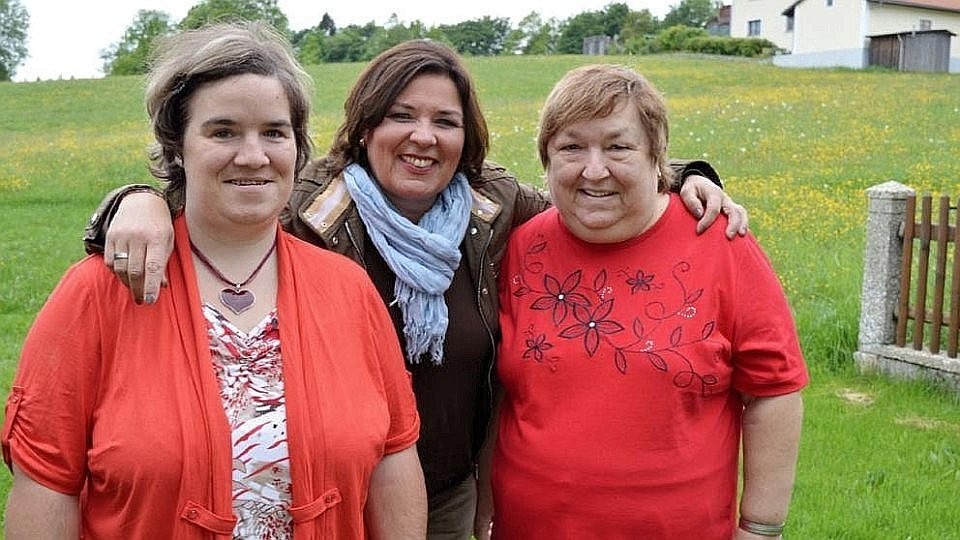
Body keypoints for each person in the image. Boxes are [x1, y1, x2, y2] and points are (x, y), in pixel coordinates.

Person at [82, 40, 748, 539]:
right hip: (329, 489)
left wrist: (685, 177)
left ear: (468, 136)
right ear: (365, 126)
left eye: (446, 121)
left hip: (451, 490)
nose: (423, 137)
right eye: (401, 115)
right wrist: (133, 200)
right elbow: (209, 202)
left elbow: (591, 194)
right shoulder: (311, 207)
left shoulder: (496, 206)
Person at [2, 22, 425, 539]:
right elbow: (47, 484)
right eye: (222, 131)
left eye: (274, 132)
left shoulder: (348, 289)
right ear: (177, 146)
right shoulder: (97, 293)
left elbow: (394, 458)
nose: (253, 155)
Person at [488, 64, 808, 539]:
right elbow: (501, 393)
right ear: (546, 159)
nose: (594, 170)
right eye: (572, 147)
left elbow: (774, 390)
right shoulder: (520, 246)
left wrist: (760, 528)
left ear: (658, 159)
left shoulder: (718, 240)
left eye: (618, 147)